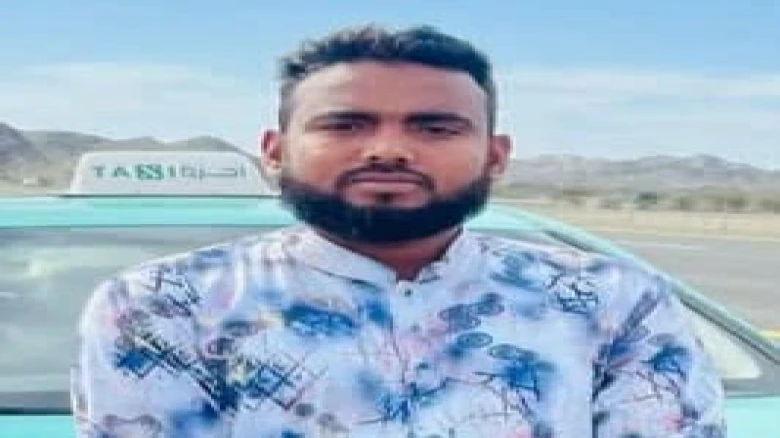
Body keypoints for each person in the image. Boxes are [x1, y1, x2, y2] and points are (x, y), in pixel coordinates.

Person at [71, 24, 726, 437]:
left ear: (495, 155)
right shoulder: (163, 306)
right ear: (274, 150)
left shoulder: (612, 302)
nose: (388, 149)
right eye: (345, 124)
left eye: (435, 127)